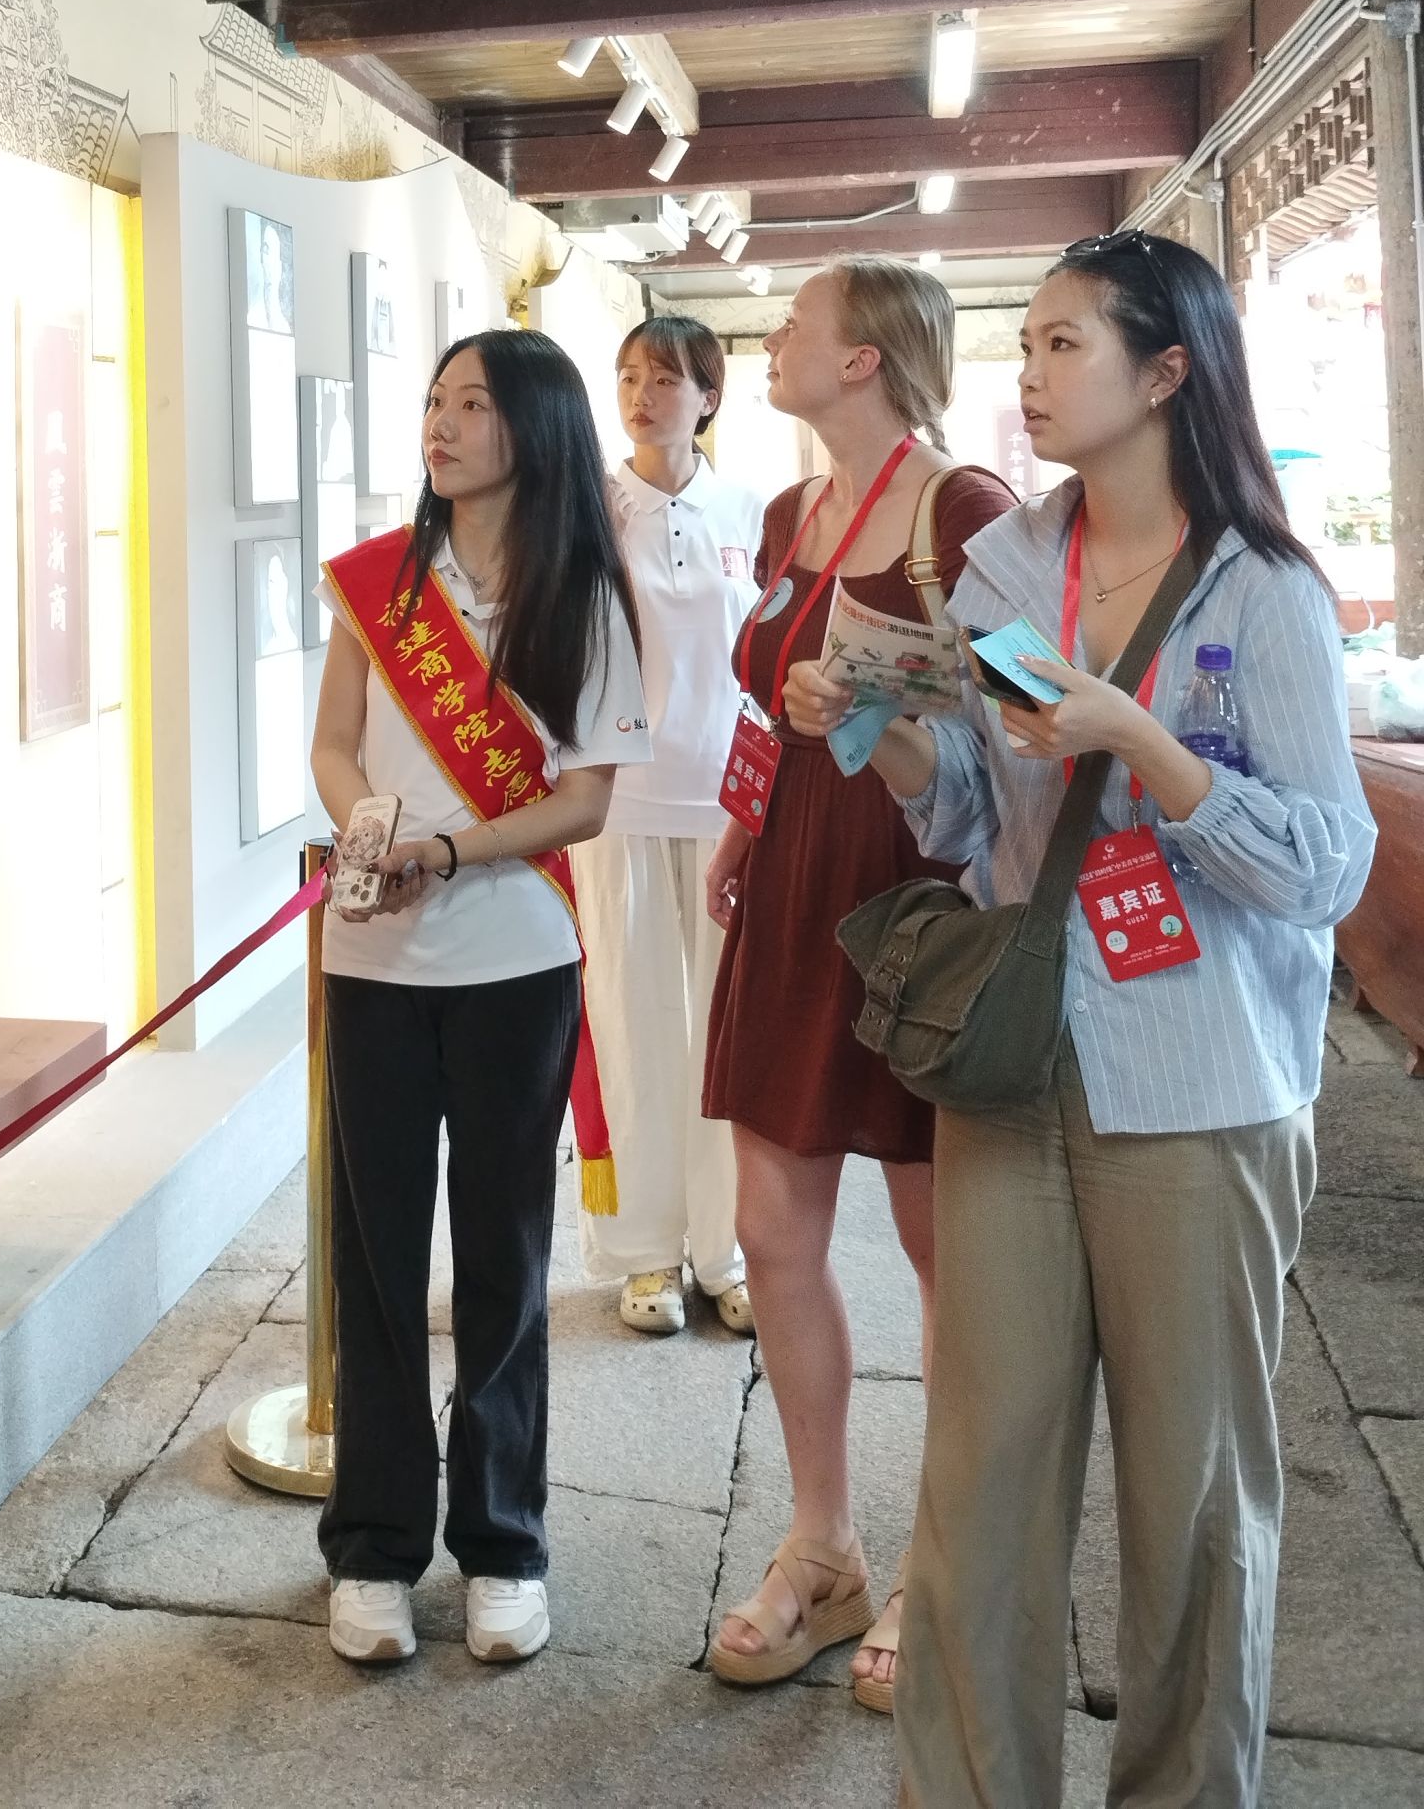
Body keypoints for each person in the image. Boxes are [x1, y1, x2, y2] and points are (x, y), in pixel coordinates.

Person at [833, 231, 1375, 1807]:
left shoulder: (1265, 589)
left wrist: (1141, 737)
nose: (1030, 373)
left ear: (1167, 370)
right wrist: (880, 728)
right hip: (1015, 1060)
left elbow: (1326, 867)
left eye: (1065, 343)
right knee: (981, 1476)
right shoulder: (1006, 565)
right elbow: (972, 814)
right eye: (1029, 345)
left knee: (1193, 1498)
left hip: (1201, 1084)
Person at [699, 256, 1013, 1709]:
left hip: (918, 891)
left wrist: (896, 710)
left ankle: (941, 1567)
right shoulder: (789, 512)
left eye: (794, 324)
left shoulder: (966, 511)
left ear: (864, 357)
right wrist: (742, 820)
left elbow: (1027, 714)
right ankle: (821, 1543)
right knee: (771, 1227)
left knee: (945, 1246)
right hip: (792, 880)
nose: (772, 339)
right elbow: (774, 699)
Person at [312, 330, 649, 1672]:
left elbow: (585, 798)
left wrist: (446, 852)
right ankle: (373, 1546)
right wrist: (371, 831)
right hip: (373, 964)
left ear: (535, 427)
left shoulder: (584, 594)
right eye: (434, 401)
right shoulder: (380, 582)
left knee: (504, 1257)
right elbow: (333, 744)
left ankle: (504, 1541)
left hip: (515, 958)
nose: (440, 425)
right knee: (377, 1259)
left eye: (472, 404)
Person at [575, 315, 765, 1340]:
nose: (641, 396)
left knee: (726, 1034)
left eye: (664, 379)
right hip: (619, 802)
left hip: (729, 804)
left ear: (708, 396)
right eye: (627, 377)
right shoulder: (590, 505)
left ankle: (727, 1250)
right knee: (632, 1021)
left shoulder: (749, 509)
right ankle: (645, 1251)